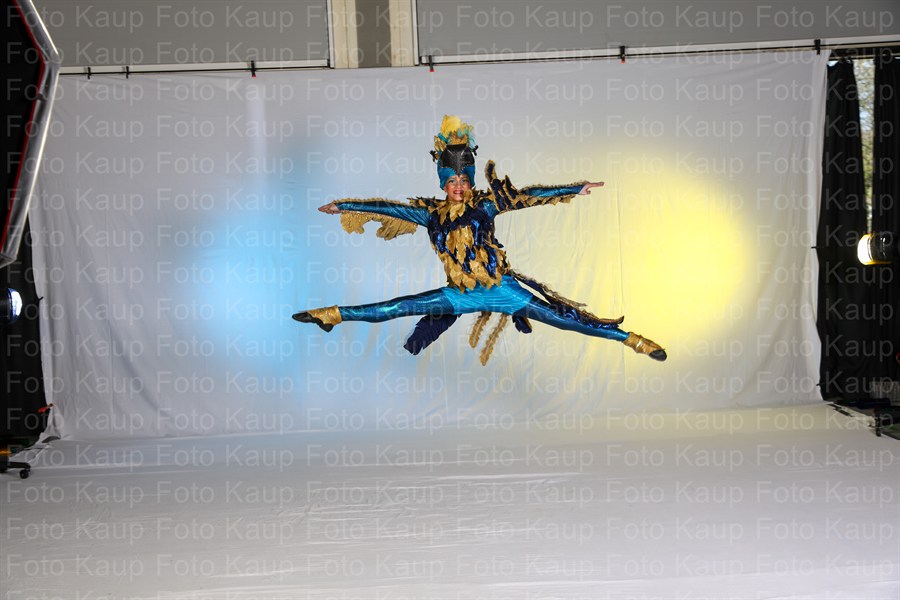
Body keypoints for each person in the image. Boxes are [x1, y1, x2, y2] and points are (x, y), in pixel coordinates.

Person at [293, 115, 666, 363]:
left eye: (463, 181)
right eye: (452, 182)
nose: (458, 187)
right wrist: (345, 206)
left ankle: (632, 340)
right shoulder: (430, 215)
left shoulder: (486, 205)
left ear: (470, 183)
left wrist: (572, 188)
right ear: (443, 184)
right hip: (459, 294)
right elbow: (387, 208)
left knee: (565, 320)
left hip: (502, 289)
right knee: (397, 306)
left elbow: (528, 196)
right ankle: (332, 315)